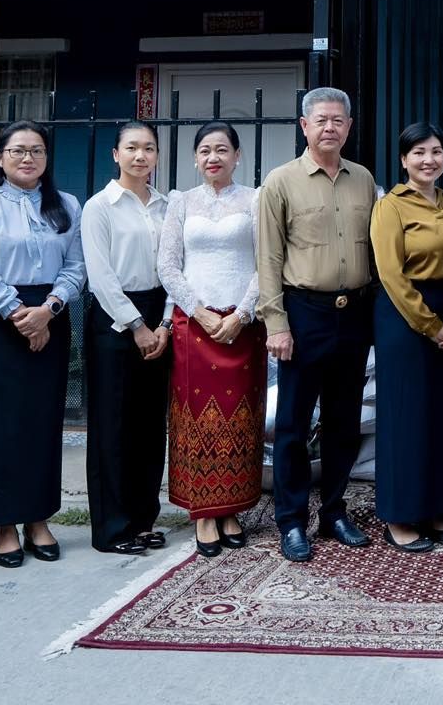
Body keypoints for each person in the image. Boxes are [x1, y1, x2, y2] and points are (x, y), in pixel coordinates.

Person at [0, 120, 84, 568]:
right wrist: (21, 316)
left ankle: (38, 517)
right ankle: (4, 523)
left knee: (42, 422)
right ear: (2, 157)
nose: (27, 158)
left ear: (47, 158)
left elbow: (76, 267)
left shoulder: (66, 205)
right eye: (17, 151)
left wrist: (47, 310)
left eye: (36, 151)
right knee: (1, 423)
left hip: (51, 314)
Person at [259, 88, 378, 563]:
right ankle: (291, 520)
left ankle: (333, 511)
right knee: (292, 423)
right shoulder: (281, 182)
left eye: (338, 120)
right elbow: (268, 257)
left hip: (354, 313)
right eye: (321, 120)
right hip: (304, 311)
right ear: (304, 126)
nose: (330, 128)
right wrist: (276, 323)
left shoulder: (363, 180)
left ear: (349, 127)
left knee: (344, 420)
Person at [370, 122, 443, 553]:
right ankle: (399, 516)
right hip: (405, 317)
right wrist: (432, 325)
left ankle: (436, 509)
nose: (429, 160)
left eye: (436, 152)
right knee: (406, 416)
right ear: (403, 160)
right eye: (419, 153)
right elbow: (391, 275)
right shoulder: (390, 207)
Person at [159, 121, 264, 559]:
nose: (213, 157)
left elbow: (267, 262)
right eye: (204, 150)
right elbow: (168, 265)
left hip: (242, 326)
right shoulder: (181, 202)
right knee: (196, 419)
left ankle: (231, 508)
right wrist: (198, 311)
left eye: (222, 149)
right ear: (195, 158)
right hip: (193, 326)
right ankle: (204, 512)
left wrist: (242, 314)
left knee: (239, 418)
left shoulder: (255, 200)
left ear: (237, 156)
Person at [82, 122, 174, 555]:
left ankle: (142, 519)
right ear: (115, 154)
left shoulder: (166, 205)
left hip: (159, 314)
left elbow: (174, 267)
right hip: (115, 320)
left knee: (149, 425)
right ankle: (112, 528)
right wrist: (136, 326)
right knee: (113, 425)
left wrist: (164, 324)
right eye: (132, 148)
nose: (141, 156)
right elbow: (100, 276)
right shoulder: (99, 207)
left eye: (149, 148)